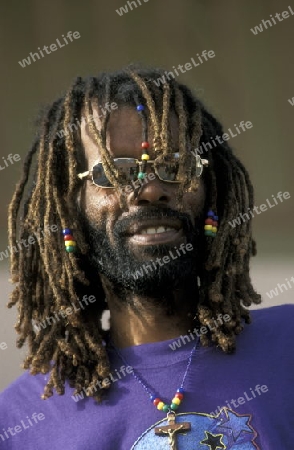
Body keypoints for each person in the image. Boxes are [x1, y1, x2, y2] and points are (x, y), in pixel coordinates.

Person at [0, 66, 293, 450]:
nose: (151, 189)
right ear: (69, 210)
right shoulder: (19, 423)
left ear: (212, 193)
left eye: (174, 166)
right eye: (115, 172)